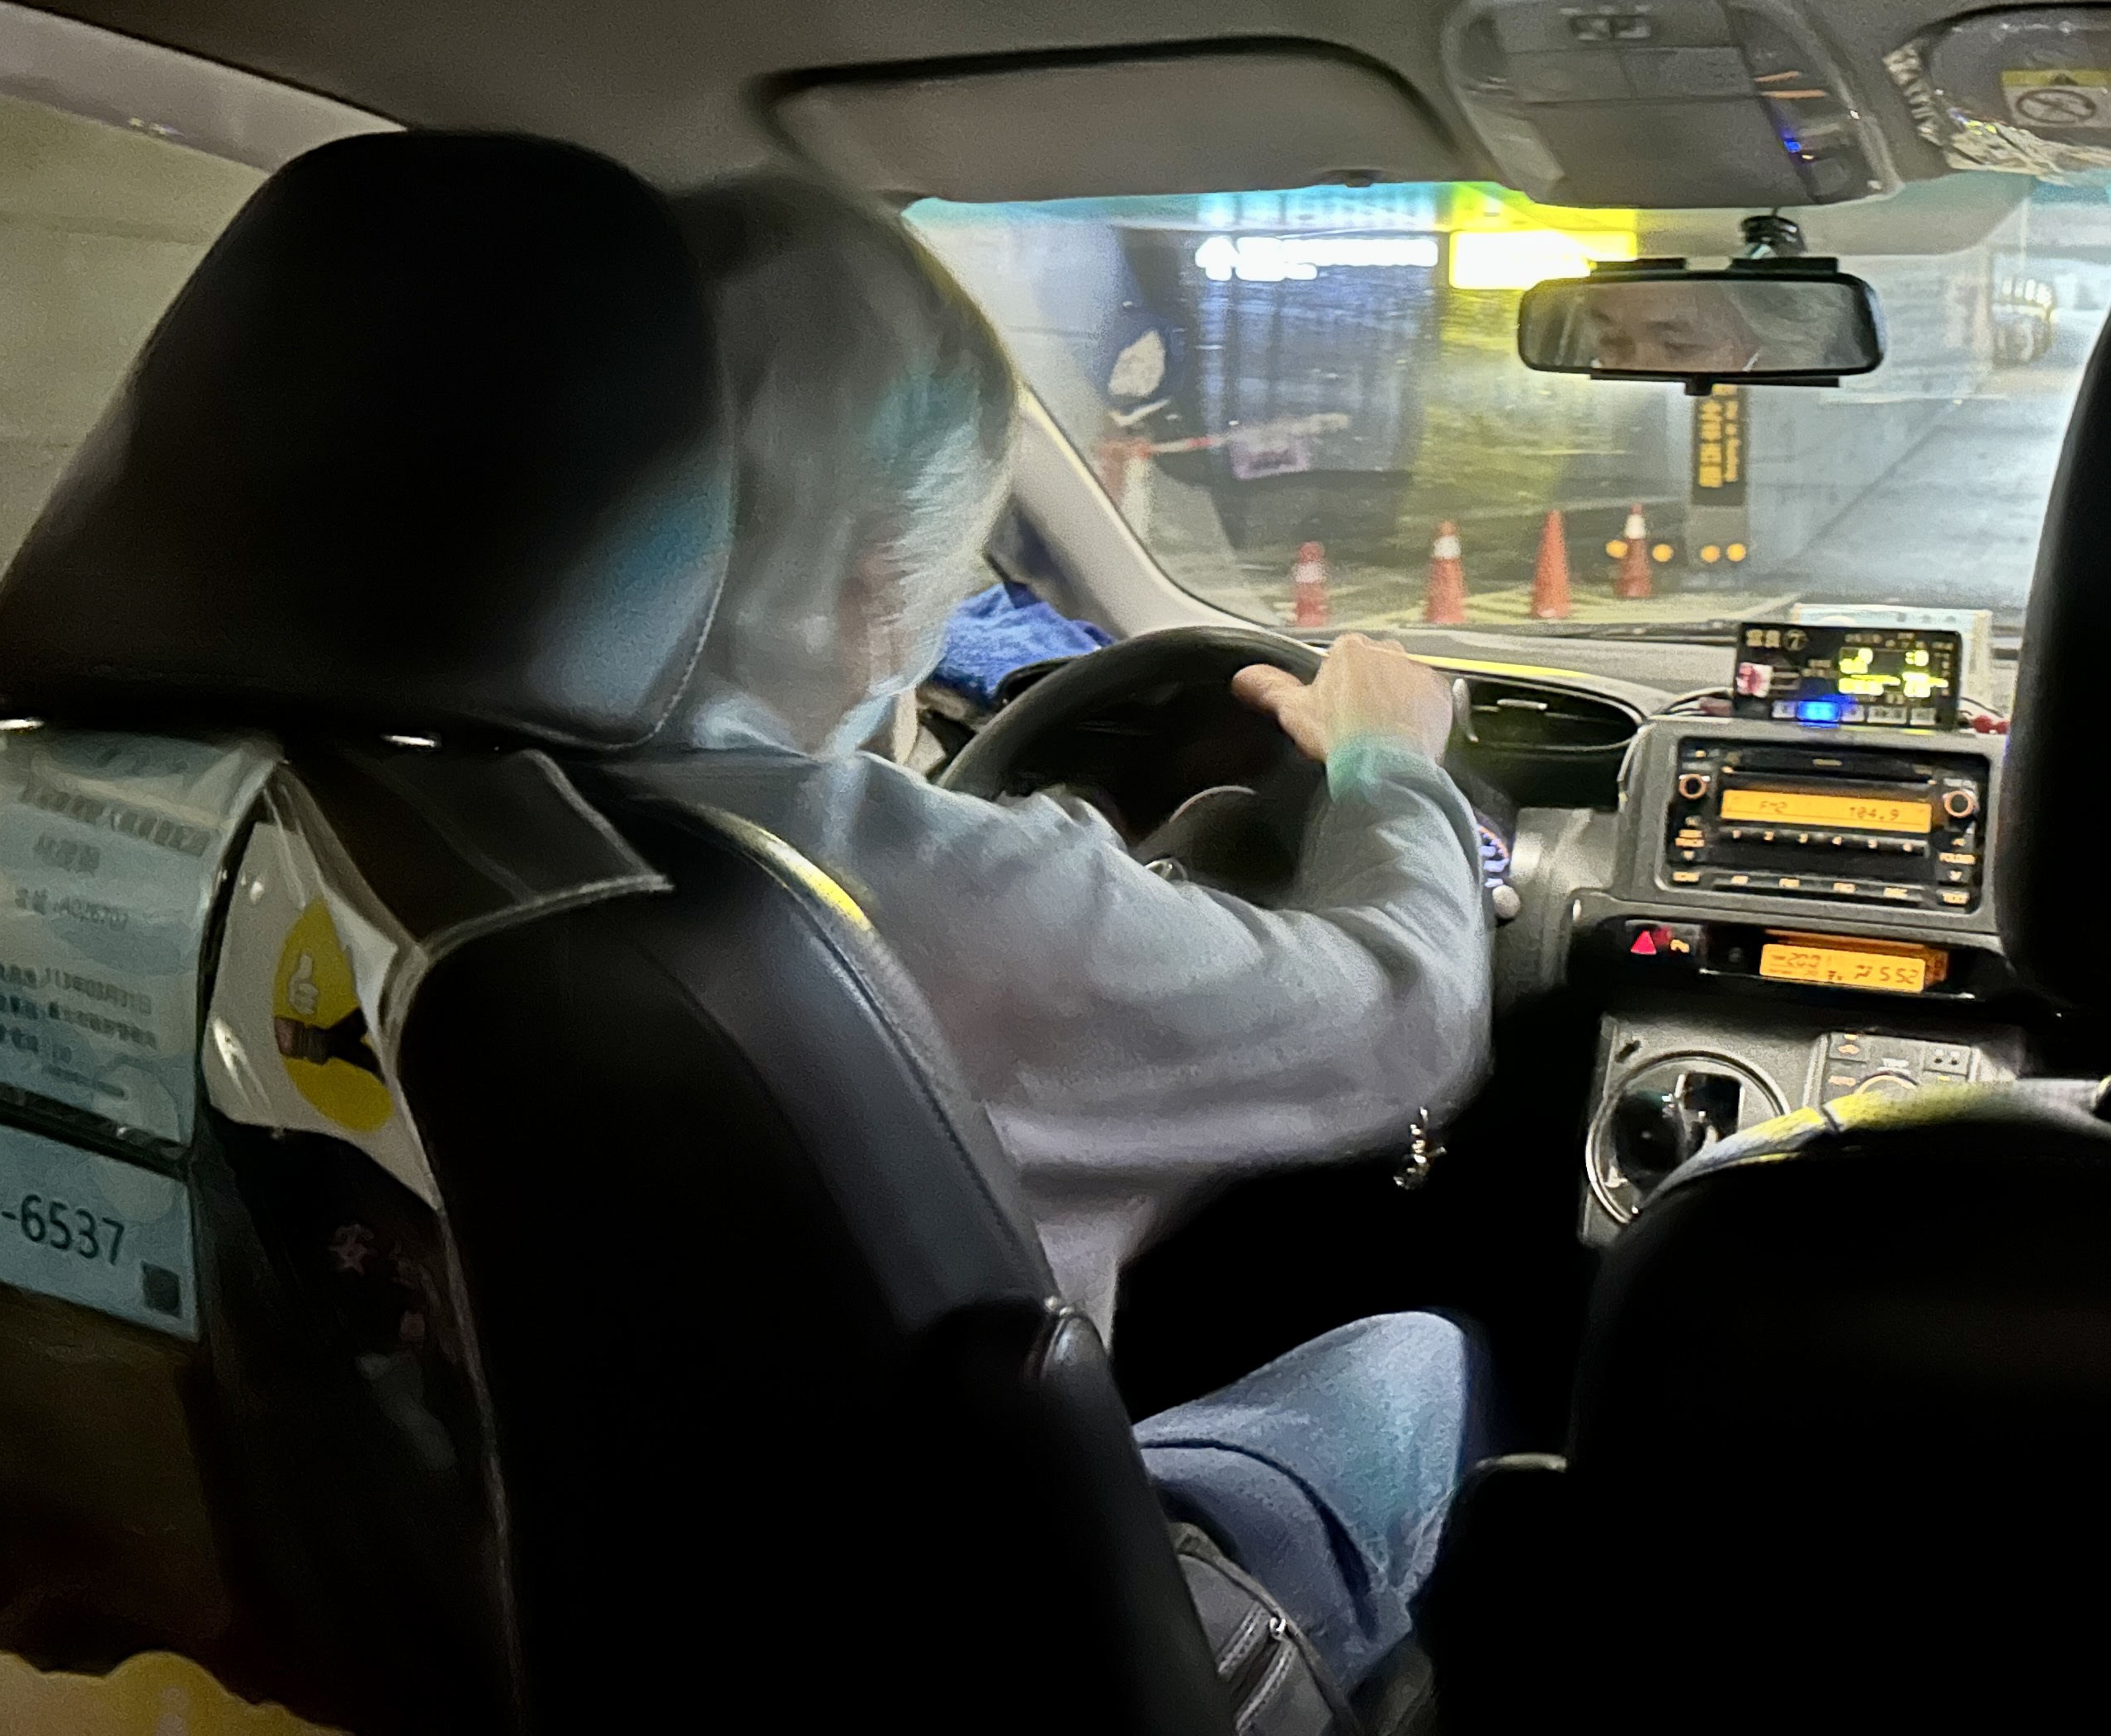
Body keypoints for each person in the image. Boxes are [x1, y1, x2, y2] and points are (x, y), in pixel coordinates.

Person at [628, 172, 1495, 1699]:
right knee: (1429, 1357)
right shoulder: (915, 881)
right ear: (878, 572)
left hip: (599, 1594)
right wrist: (1385, 765)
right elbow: (1409, 1013)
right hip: (978, 1632)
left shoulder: (372, 805)